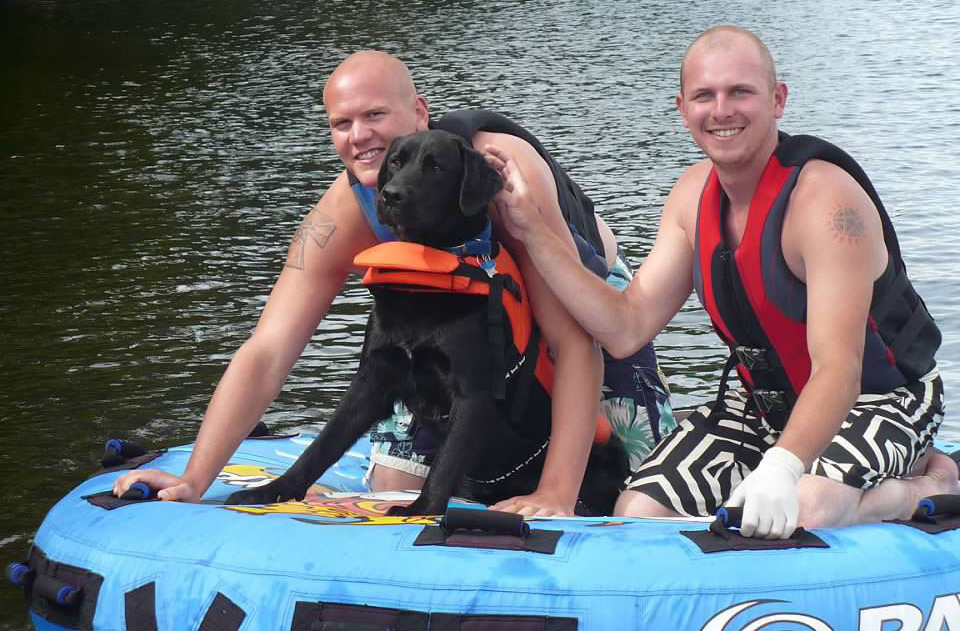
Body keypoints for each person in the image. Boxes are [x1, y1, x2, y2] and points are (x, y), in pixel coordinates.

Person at [113, 50, 674, 517]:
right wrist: (195, 476)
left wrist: (555, 493)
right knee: (390, 494)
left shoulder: (500, 178)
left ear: (419, 112)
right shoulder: (343, 212)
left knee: (629, 498)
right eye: (341, 123)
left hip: (580, 307)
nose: (359, 137)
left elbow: (575, 344)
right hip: (447, 317)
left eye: (375, 115)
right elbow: (267, 349)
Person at [489, 25, 957, 538]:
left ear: (777, 100)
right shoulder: (691, 197)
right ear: (682, 107)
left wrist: (781, 468)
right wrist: (533, 232)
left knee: (810, 508)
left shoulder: (827, 205)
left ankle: (928, 484)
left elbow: (840, 370)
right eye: (704, 96)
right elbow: (624, 328)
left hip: (877, 396)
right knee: (640, 511)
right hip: (759, 403)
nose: (722, 111)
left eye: (740, 92)